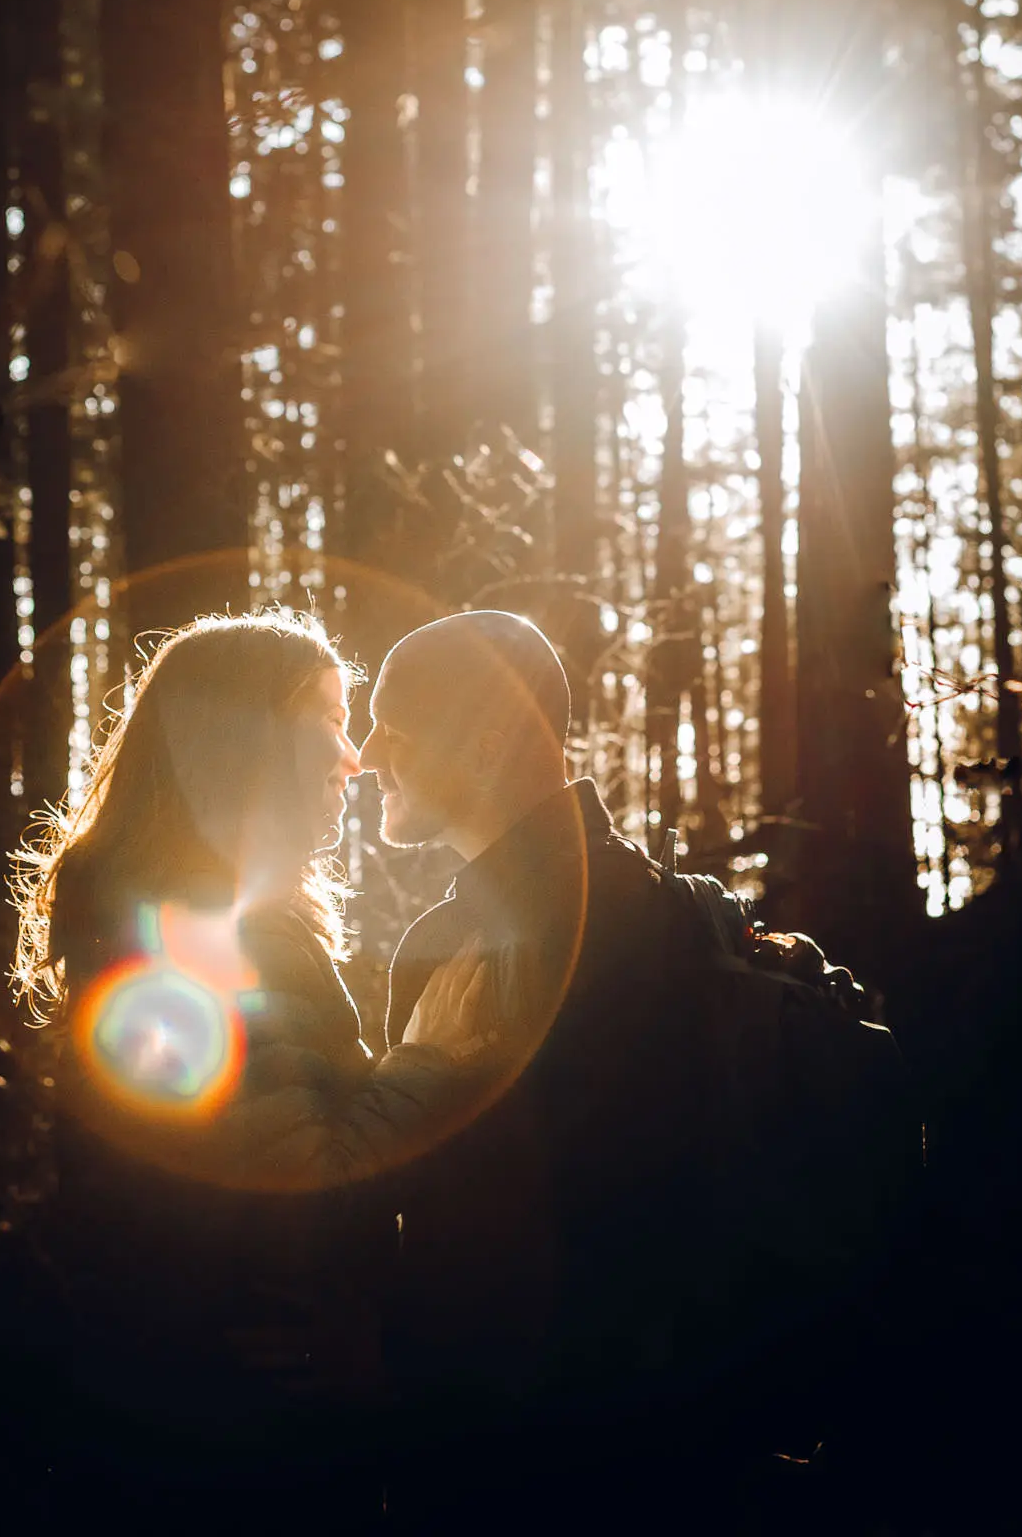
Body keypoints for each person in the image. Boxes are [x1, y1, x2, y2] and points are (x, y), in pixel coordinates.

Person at [8, 609, 488, 1523]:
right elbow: (305, 1197)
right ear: (246, 744)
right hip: (229, 1456)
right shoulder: (196, 947)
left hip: (196, 1429)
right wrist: (430, 1056)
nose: (355, 759)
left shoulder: (181, 922)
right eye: (330, 722)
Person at [359, 609, 778, 1519]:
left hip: (580, 1468)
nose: (363, 755)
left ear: (488, 738)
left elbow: (602, 1231)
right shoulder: (450, 934)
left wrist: (388, 1363)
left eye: (390, 725)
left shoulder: (615, 925)